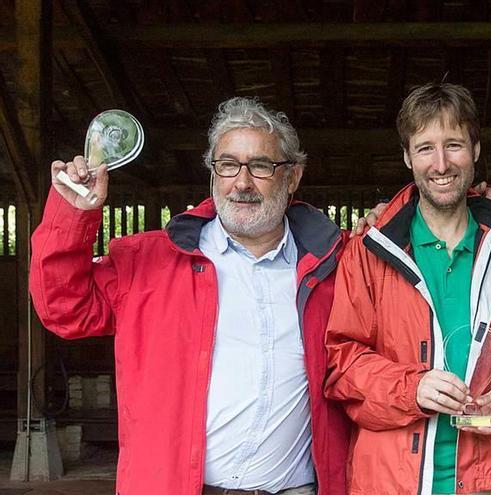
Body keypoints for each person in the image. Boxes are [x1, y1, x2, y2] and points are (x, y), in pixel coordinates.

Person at [29, 97, 350, 495]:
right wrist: (72, 214)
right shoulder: (149, 261)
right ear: (213, 173)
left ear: (293, 177)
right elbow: (64, 310)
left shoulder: (335, 266)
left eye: (261, 166)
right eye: (228, 165)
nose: (242, 183)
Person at [323, 82, 491, 495]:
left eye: (454, 145)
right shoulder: (370, 250)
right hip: (392, 480)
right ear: (408, 157)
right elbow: (343, 363)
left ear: (476, 150)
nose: (441, 163)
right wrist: (413, 387)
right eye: (425, 147)